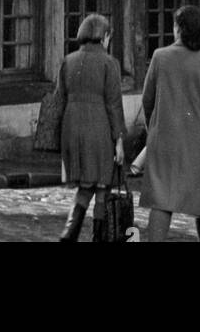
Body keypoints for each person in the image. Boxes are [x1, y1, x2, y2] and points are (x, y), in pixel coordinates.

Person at [141, 4, 200, 243]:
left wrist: (156, 131)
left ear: (178, 29)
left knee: (162, 202)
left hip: (165, 142)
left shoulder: (160, 56)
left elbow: (147, 101)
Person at [56, 13, 125, 242]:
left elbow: (60, 98)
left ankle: (69, 233)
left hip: (72, 126)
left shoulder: (69, 60)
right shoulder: (109, 63)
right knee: (102, 186)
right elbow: (114, 105)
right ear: (104, 37)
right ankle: (98, 238)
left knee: (85, 185)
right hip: (99, 126)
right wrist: (119, 140)